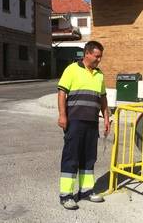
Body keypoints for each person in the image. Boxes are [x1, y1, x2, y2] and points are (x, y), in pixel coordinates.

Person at [57, 41, 110, 210]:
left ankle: (86, 191)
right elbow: (61, 92)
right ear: (87, 53)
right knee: (71, 157)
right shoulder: (72, 69)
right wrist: (62, 115)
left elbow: (103, 98)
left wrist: (107, 118)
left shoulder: (99, 74)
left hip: (92, 122)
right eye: (97, 56)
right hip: (74, 121)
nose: (99, 59)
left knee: (89, 158)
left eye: (100, 56)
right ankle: (66, 195)